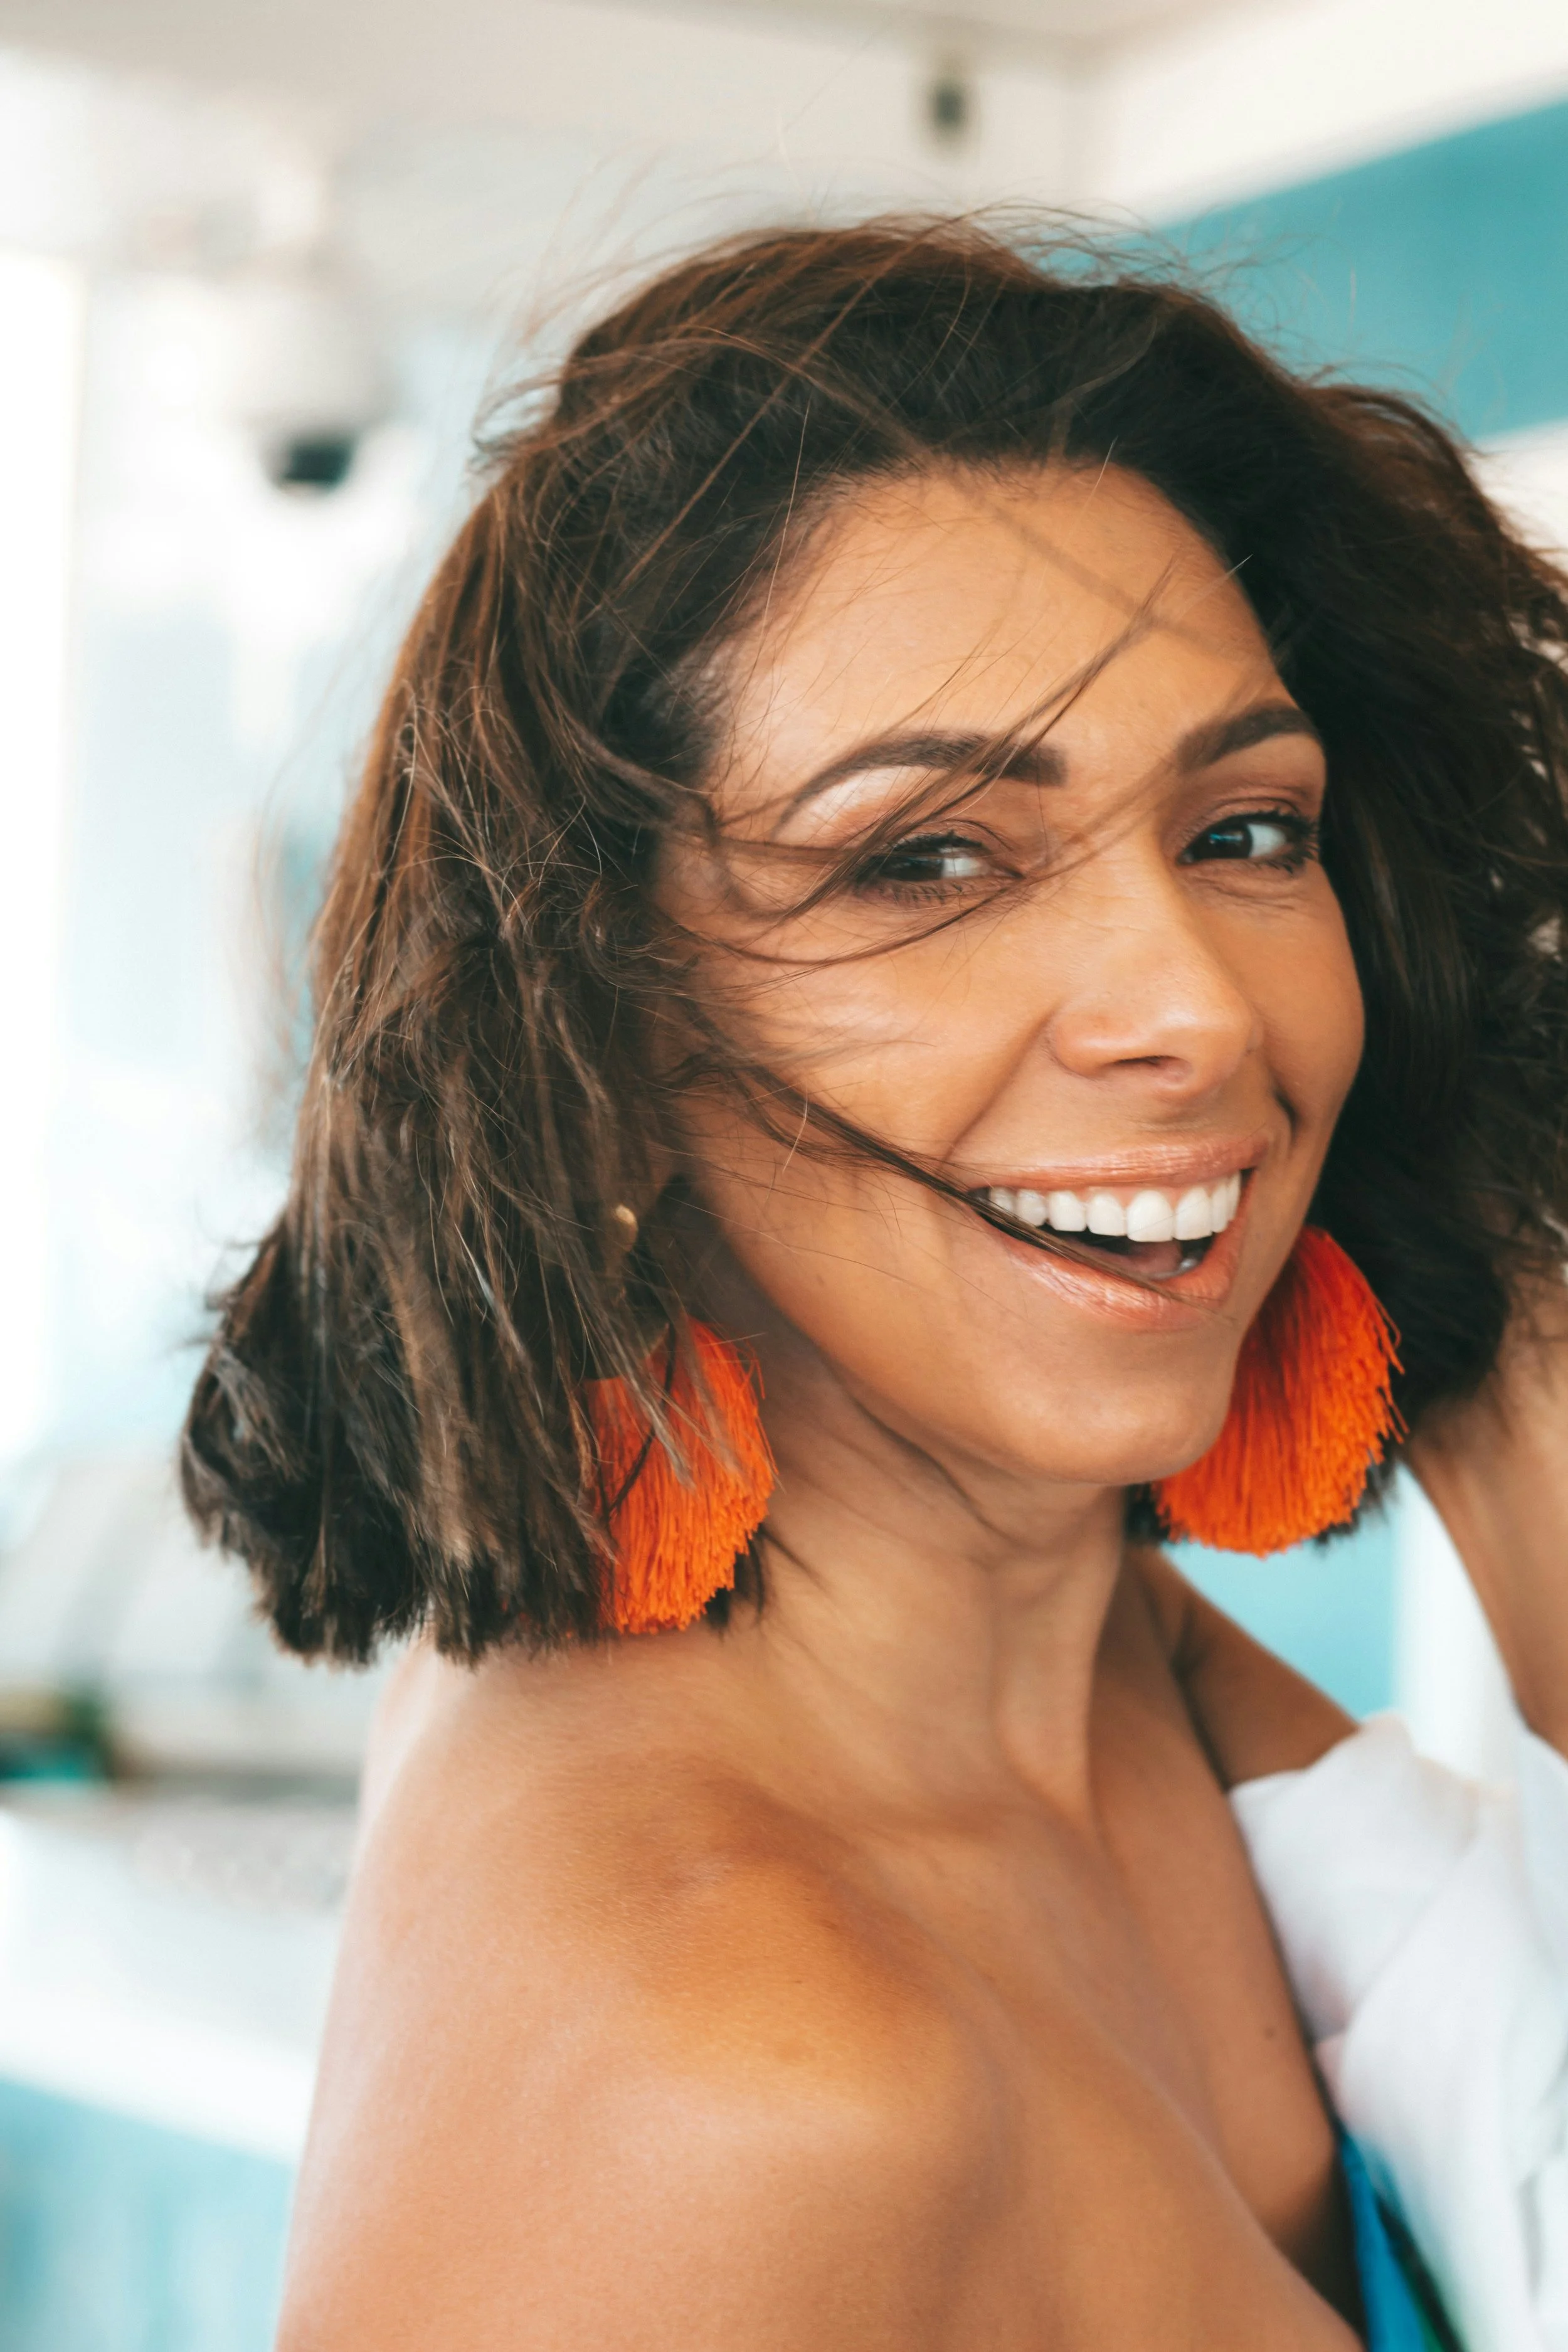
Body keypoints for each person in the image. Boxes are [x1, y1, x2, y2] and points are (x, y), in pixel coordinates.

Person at [183, 219, 1568, 2349]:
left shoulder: (1080, 1645)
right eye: (924, 858)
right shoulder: (738, 2077)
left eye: (1246, 832)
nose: (1191, 1005)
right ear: (602, 1032)